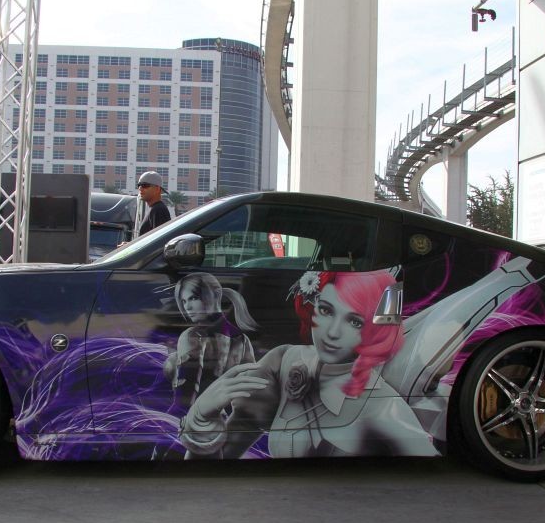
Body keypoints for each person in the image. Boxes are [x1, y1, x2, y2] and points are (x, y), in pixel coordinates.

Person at [179, 269, 437, 459]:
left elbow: (430, 468)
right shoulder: (283, 360)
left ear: (374, 329)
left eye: (354, 321)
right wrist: (202, 418)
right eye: (326, 310)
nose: (332, 332)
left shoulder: (383, 405)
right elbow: (218, 462)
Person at [163, 273, 259, 407]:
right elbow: (251, 386)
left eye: (193, 298)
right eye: (184, 301)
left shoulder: (193, 335)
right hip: (228, 414)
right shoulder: (242, 339)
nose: (187, 307)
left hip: (199, 413)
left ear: (215, 296)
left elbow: (185, 391)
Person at [135, 170, 171, 236]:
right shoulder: (155, 209)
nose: (140, 188)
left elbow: (160, 239)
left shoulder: (159, 210)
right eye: (139, 185)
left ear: (157, 189)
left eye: (144, 185)